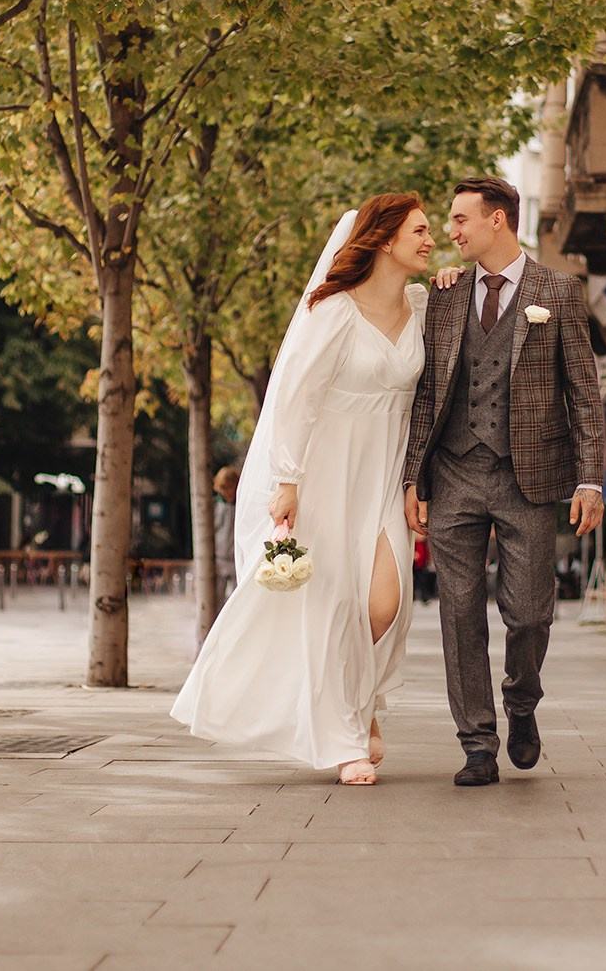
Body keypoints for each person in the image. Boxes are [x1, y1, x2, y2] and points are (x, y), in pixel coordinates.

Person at [172, 194, 434, 786]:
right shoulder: (332, 310)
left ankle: (361, 705)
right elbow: (294, 397)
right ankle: (346, 737)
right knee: (334, 607)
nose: (430, 240)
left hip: (384, 474)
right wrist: (287, 481)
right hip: (323, 476)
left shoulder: (420, 306)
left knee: (387, 605)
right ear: (384, 239)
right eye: (419, 231)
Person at [404, 176, 606, 788]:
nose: (451, 232)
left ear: (498, 220)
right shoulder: (445, 294)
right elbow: (425, 395)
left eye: (461, 219)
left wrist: (590, 480)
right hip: (455, 473)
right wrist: (413, 476)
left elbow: (585, 396)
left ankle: (521, 704)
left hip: (530, 477)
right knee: (459, 612)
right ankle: (477, 743)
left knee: (528, 615)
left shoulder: (558, 291)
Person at [210, 465, 239, 608]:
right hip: (218, 557)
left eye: (228, 487)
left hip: (236, 558)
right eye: (222, 487)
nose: (225, 491)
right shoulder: (214, 506)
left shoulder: (241, 505)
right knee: (216, 600)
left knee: (236, 600)